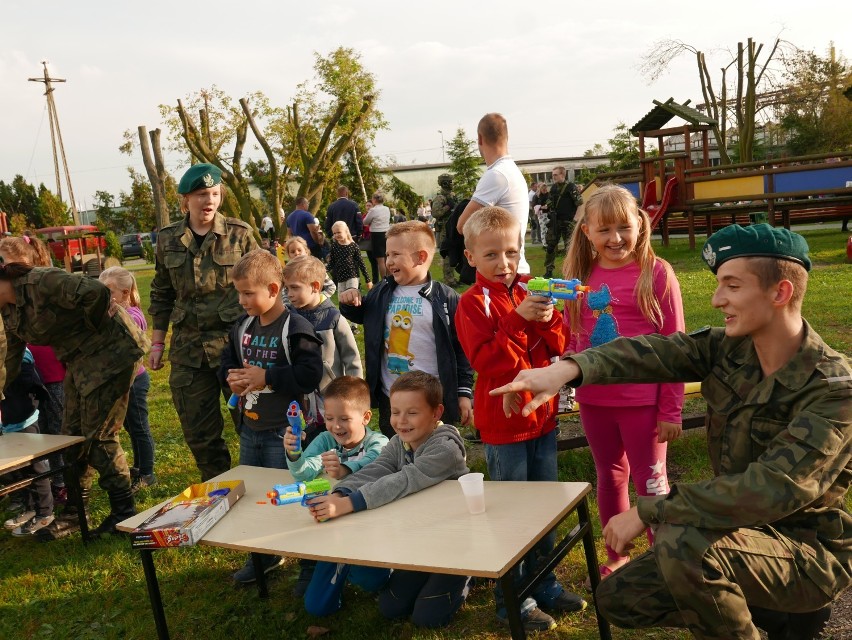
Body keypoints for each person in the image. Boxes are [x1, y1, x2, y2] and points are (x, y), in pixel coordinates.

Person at [491, 223, 851, 640]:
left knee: (682, 541)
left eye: (731, 287)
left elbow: (769, 489)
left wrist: (648, 510)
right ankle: (751, 610)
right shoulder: (730, 349)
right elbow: (652, 350)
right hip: (733, 535)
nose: (718, 300)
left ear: (780, 293)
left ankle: (771, 616)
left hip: (806, 555)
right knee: (620, 596)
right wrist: (566, 370)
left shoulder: (832, 389)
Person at [454, 206, 587, 632]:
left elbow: (562, 346)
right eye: (491, 255)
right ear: (470, 256)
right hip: (503, 426)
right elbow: (489, 362)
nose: (504, 264)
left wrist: (548, 322)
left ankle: (544, 581)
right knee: (511, 511)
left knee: (544, 506)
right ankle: (511, 595)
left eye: (511, 252)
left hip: (544, 416)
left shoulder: (533, 288)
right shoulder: (472, 303)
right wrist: (518, 319)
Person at [562, 184, 685, 578]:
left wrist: (670, 409)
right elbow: (573, 336)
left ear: (640, 225)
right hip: (596, 402)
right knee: (611, 476)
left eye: (623, 227)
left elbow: (677, 348)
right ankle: (618, 560)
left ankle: (663, 563)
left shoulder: (657, 273)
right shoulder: (579, 276)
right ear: (587, 233)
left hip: (644, 406)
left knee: (652, 486)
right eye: (604, 230)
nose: (615, 238)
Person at [304, 371, 472, 628]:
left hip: (455, 543)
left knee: (426, 619)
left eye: (412, 413)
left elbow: (406, 479)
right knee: (390, 607)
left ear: (436, 413)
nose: (401, 421)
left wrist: (350, 504)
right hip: (423, 538)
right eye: (395, 412)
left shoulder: (445, 448)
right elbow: (376, 469)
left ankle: (468, 574)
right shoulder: (398, 443)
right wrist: (340, 493)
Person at [0, 262, 147, 536]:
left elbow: (96, 291)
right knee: (72, 438)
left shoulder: (41, 282)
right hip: (80, 361)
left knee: (99, 435)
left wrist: (89, 330)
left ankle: (124, 513)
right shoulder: (8, 310)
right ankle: (76, 512)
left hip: (113, 354)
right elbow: (10, 357)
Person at [218, 249, 323, 584]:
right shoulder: (243, 326)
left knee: (294, 495)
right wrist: (230, 376)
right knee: (255, 498)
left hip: (284, 434)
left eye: (248, 293)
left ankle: (309, 565)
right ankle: (262, 557)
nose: (242, 300)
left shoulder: (296, 327)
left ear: (274, 290)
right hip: (250, 430)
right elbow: (228, 362)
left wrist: (269, 377)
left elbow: (310, 373)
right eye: (239, 292)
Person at [149, 163, 259, 481]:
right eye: (200, 195)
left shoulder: (240, 235)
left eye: (214, 193)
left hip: (237, 347)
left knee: (253, 422)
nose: (208, 200)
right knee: (199, 434)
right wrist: (157, 343)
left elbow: (265, 285)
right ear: (186, 200)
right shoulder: (168, 239)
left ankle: (259, 486)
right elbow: (161, 293)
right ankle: (219, 492)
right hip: (188, 351)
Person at [338, 221, 473, 439]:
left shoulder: (446, 298)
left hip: (432, 399)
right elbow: (363, 315)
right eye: (388, 254)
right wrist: (349, 301)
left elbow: (461, 349)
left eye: (395, 255)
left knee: (435, 452)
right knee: (397, 450)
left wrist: (464, 393)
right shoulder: (383, 290)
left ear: (420, 257)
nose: (389, 261)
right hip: (391, 397)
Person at [284, 375, 387, 596]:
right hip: (331, 522)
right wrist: (294, 454)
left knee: (370, 583)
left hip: (368, 525)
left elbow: (375, 463)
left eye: (344, 419)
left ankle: (365, 565)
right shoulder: (324, 439)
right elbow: (304, 472)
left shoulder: (378, 441)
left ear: (366, 417)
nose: (336, 426)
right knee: (316, 606)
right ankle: (332, 562)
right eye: (329, 418)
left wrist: (344, 470)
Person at [0, 235, 67, 504]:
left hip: (55, 374)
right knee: (43, 432)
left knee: (59, 430)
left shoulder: (44, 287)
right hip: (33, 374)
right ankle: (48, 482)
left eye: (5, 262)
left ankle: (63, 483)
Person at [283, 255, 362, 434]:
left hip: (331, 392)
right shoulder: (289, 317)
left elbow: (352, 358)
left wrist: (354, 392)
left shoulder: (333, 318)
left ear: (315, 287)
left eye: (295, 288)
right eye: (287, 288)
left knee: (332, 435)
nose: (289, 294)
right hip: (301, 393)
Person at [99, 266, 157, 494]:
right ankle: (140, 466)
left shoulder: (133, 315)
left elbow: (127, 335)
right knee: (132, 428)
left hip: (135, 382)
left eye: (109, 291)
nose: (105, 296)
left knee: (140, 427)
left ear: (125, 293)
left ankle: (147, 473)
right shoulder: (110, 312)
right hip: (120, 383)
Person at [456, 113, 531, 274]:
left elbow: (462, 225)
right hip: (512, 267)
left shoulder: (497, 175)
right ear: (507, 138)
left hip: (503, 273)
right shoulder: (510, 171)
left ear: (480, 139)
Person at [2, 347, 53, 537]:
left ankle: (45, 513)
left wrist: (18, 409)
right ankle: (30, 508)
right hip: (7, 422)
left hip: (23, 420)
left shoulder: (19, 354)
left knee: (36, 467)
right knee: (18, 470)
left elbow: (31, 384)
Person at [542, 166, 583, 278]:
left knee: (570, 248)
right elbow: (549, 203)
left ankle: (572, 270)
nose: (553, 177)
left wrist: (575, 220)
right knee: (550, 246)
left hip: (568, 222)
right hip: (555, 222)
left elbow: (580, 203)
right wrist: (542, 208)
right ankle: (549, 270)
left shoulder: (571, 187)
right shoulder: (554, 188)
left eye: (555, 174)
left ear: (562, 175)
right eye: (553, 174)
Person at [281, 237, 336, 303]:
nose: (296, 253)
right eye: (292, 252)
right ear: (289, 255)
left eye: (299, 250)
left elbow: (331, 287)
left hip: (318, 308)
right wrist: (288, 305)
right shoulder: (288, 272)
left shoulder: (315, 268)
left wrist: (319, 299)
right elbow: (284, 292)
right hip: (297, 310)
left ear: (306, 251)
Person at [327, 221, 371, 294]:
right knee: (342, 299)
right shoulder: (334, 246)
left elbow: (361, 263)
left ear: (346, 231)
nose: (336, 235)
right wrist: (323, 270)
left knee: (352, 297)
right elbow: (332, 262)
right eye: (334, 233)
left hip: (352, 276)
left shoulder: (353, 246)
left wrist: (368, 280)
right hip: (340, 277)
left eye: (339, 232)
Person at [431, 174, 458, 287]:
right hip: (445, 230)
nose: (453, 184)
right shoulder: (440, 198)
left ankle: (453, 277)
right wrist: (447, 207)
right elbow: (435, 213)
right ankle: (449, 279)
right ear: (445, 183)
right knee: (447, 255)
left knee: (454, 253)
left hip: (454, 228)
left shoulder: (453, 196)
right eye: (450, 182)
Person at [363, 192, 390, 279]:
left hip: (376, 234)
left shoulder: (373, 210)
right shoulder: (386, 209)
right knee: (387, 258)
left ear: (374, 200)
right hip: (386, 233)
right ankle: (389, 278)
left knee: (380, 260)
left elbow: (365, 222)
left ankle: (383, 280)